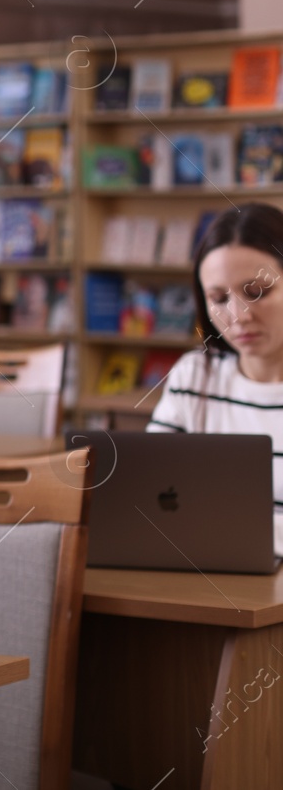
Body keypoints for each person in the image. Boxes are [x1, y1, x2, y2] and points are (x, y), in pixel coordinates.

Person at [147, 202, 283, 554]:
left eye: (257, 292)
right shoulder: (195, 375)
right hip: (202, 573)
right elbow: (147, 494)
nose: (238, 315)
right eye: (219, 298)